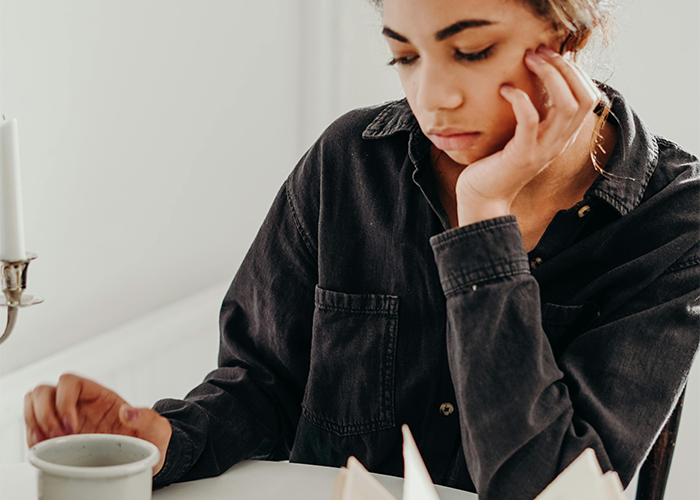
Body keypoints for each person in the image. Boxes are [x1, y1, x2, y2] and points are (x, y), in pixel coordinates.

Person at [23, 0, 699, 499]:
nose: (432, 97)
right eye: (405, 54)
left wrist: (482, 221)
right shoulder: (348, 164)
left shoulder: (675, 222)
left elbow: (549, 487)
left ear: (568, 37)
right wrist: (164, 439)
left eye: (468, 51)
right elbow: (261, 386)